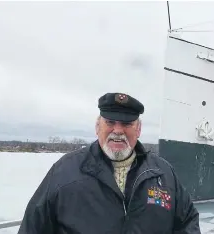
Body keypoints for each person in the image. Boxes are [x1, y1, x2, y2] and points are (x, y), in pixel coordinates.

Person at [18, 92, 201, 234]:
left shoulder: (163, 174)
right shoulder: (64, 172)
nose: (118, 130)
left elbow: (187, 222)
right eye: (110, 122)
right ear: (98, 127)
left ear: (138, 129)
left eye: (127, 124)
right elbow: (33, 227)